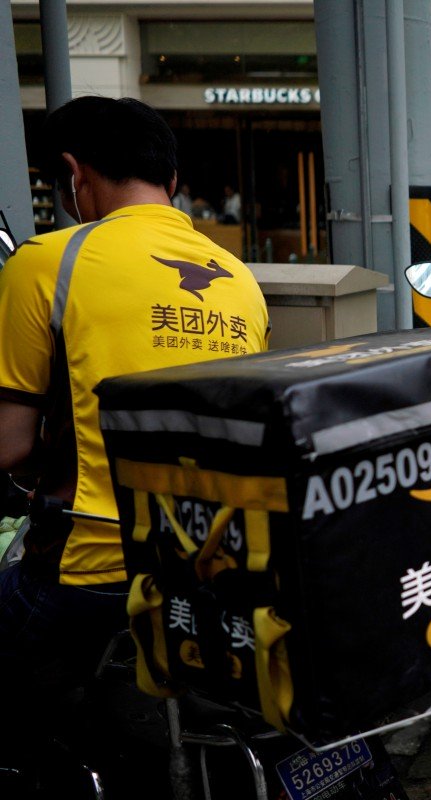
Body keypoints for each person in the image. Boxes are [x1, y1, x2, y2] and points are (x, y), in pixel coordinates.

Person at [0, 96, 270, 776]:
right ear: (171, 180)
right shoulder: (239, 280)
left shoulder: (46, 262)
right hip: (207, 568)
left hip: (90, 570)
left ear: (72, 173)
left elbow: (7, 446)